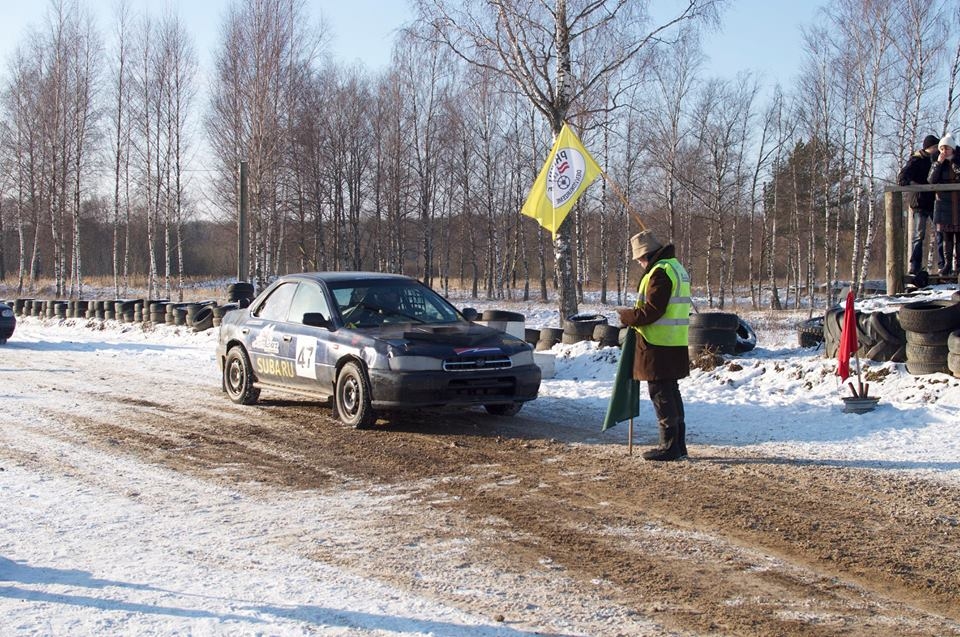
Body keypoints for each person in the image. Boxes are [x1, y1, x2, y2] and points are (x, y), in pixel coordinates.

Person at [617, 230, 692, 461]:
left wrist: (627, 316)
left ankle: (669, 446)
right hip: (674, 340)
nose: (639, 263)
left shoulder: (659, 273)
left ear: (647, 255)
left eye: (639, 258)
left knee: (661, 394)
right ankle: (678, 444)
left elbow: (652, 311)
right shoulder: (675, 267)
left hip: (657, 343)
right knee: (671, 392)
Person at [898, 134, 942, 274]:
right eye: (935, 147)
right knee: (919, 235)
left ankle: (943, 265)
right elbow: (902, 178)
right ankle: (915, 265)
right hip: (920, 202)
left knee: (942, 233)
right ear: (930, 148)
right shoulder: (916, 160)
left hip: (934, 201)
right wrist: (914, 185)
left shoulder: (937, 160)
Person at [928, 133, 960, 277]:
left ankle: (958, 265)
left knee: (959, 237)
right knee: (947, 237)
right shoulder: (937, 162)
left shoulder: (958, 160)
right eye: (942, 149)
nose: (944, 152)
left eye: (947, 149)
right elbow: (931, 180)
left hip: (958, 202)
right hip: (944, 202)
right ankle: (947, 264)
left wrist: (954, 163)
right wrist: (938, 163)